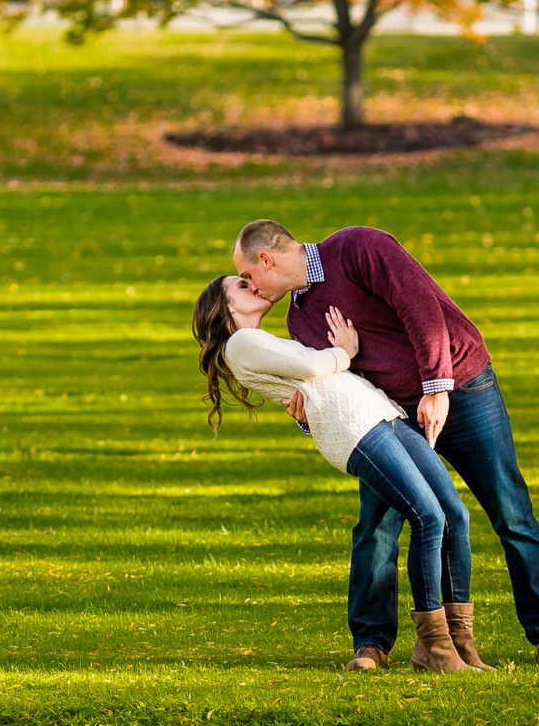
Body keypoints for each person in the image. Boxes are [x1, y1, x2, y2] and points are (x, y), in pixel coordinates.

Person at [233, 220, 539, 672]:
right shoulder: (301, 319)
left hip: (461, 387)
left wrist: (436, 387)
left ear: (267, 260)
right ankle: (372, 643)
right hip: (390, 414)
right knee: (376, 525)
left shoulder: (359, 247)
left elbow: (421, 308)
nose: (250, 287)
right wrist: (306, 416)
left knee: (510, 511)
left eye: (249, 276)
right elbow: (338, 385)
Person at [191, 274, 491, 673]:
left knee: (455, 515)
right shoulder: (241, 343)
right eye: (242, 287)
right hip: (355, 428)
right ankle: (434, 648)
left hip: (383, 415)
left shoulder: (263, 340)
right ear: (225, 308)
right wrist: (344, 351)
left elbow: (309, 382)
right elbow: (312, 366)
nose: (255, 287)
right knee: (428, 517)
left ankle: (460, 643)